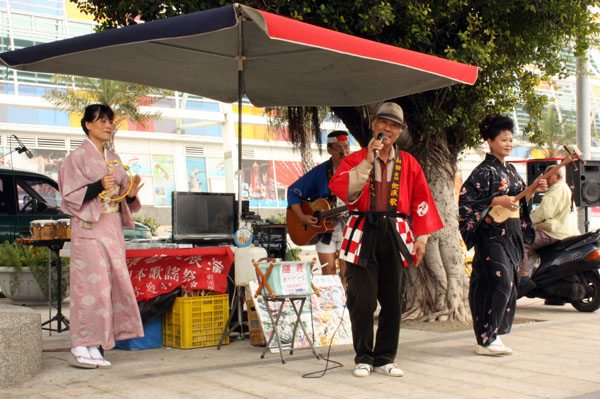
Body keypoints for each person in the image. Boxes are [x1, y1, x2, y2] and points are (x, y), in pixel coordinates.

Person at [329, 102, 443, 378]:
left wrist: (422, 238)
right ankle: (364, 357)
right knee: (362, 299)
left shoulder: (409, 163)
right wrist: (369, 160)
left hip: (397, 230)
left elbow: (422, 201)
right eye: (383, 122)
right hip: (361, 228)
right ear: (373, 125)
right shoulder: (355, 159)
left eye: (393, 125)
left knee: (393, 299)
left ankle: (385, 357)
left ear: (400, 131)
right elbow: (344, 189)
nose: (387, 129)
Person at [59, 103, 145, 369]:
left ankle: (96, 343)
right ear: (88, 124)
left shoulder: (114, 157)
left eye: (110, 121)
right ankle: (79, 342)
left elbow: (121, 195)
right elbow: (69, 196)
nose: (107, 126)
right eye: (101, 121)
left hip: (111, 228)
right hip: (89, 229)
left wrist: (130, 193)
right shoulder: (76, 158)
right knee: (89, 287)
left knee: (110, 287)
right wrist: (98, 186)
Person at [458, 115, 547, 357]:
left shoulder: (510, 170)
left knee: (507, 283)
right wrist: (495, 200)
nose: (508, 143)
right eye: (503, 139)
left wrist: (534, 190)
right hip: (491, 235)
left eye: (510, 139)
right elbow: (466, 202)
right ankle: (486, 338)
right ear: (490, 141)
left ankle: (491, 336)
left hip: (512, 234)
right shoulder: (482, 172)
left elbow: (519, 201)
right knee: (500, 282)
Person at [287, 131, 351, 284]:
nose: (344, 151)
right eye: (338, 147)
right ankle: (332, 304)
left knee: (346, 270)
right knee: (328, 270)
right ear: (329, 150)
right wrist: (303, 217)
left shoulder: (356, 170)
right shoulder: (320, 172)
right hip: (323, 229)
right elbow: (293, 191)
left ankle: (347, 305)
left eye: (347, 147)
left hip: (349, 226)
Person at [519, 166, 579, 289]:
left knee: (522, 242)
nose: (546, 180)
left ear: (557, 176)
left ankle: (523, 279)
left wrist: (527, 220)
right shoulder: (564, 188)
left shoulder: (557, 188)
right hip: (565, 231)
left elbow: (545, 212)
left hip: (555, 232)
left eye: (548, 177)